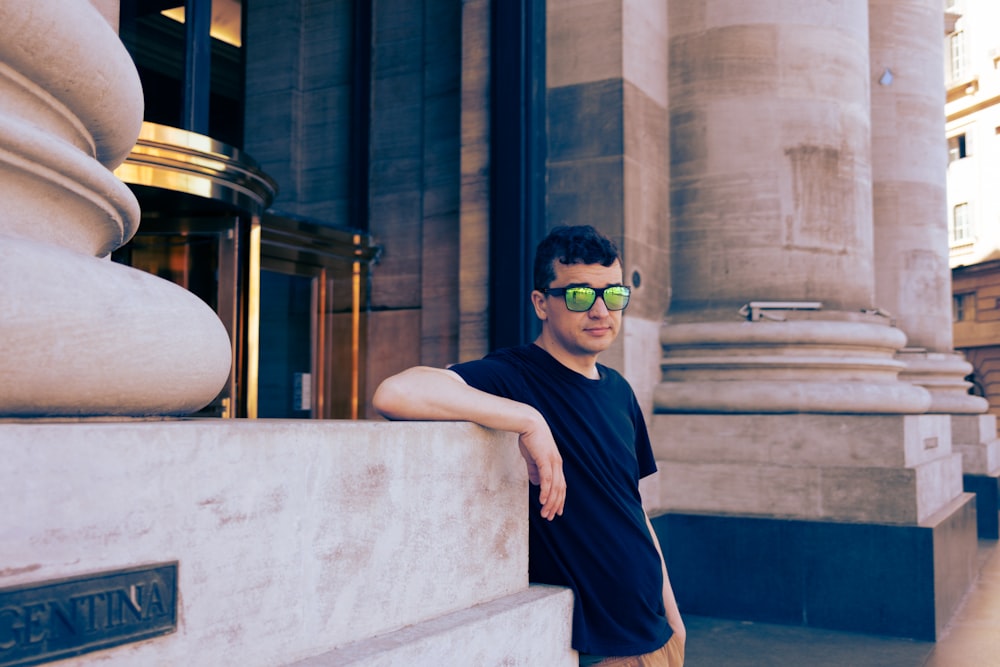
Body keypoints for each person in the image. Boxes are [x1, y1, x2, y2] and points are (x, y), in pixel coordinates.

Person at [373, 225, 685, 666]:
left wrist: (674, 617)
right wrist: (528, 419)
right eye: (580, 295)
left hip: (654, 630)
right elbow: (395, 393)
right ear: (541, 302)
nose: (600, 310)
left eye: (613, 295)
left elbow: (632, 510)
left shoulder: (620, 390)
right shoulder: (512, 376)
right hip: (593, 645)